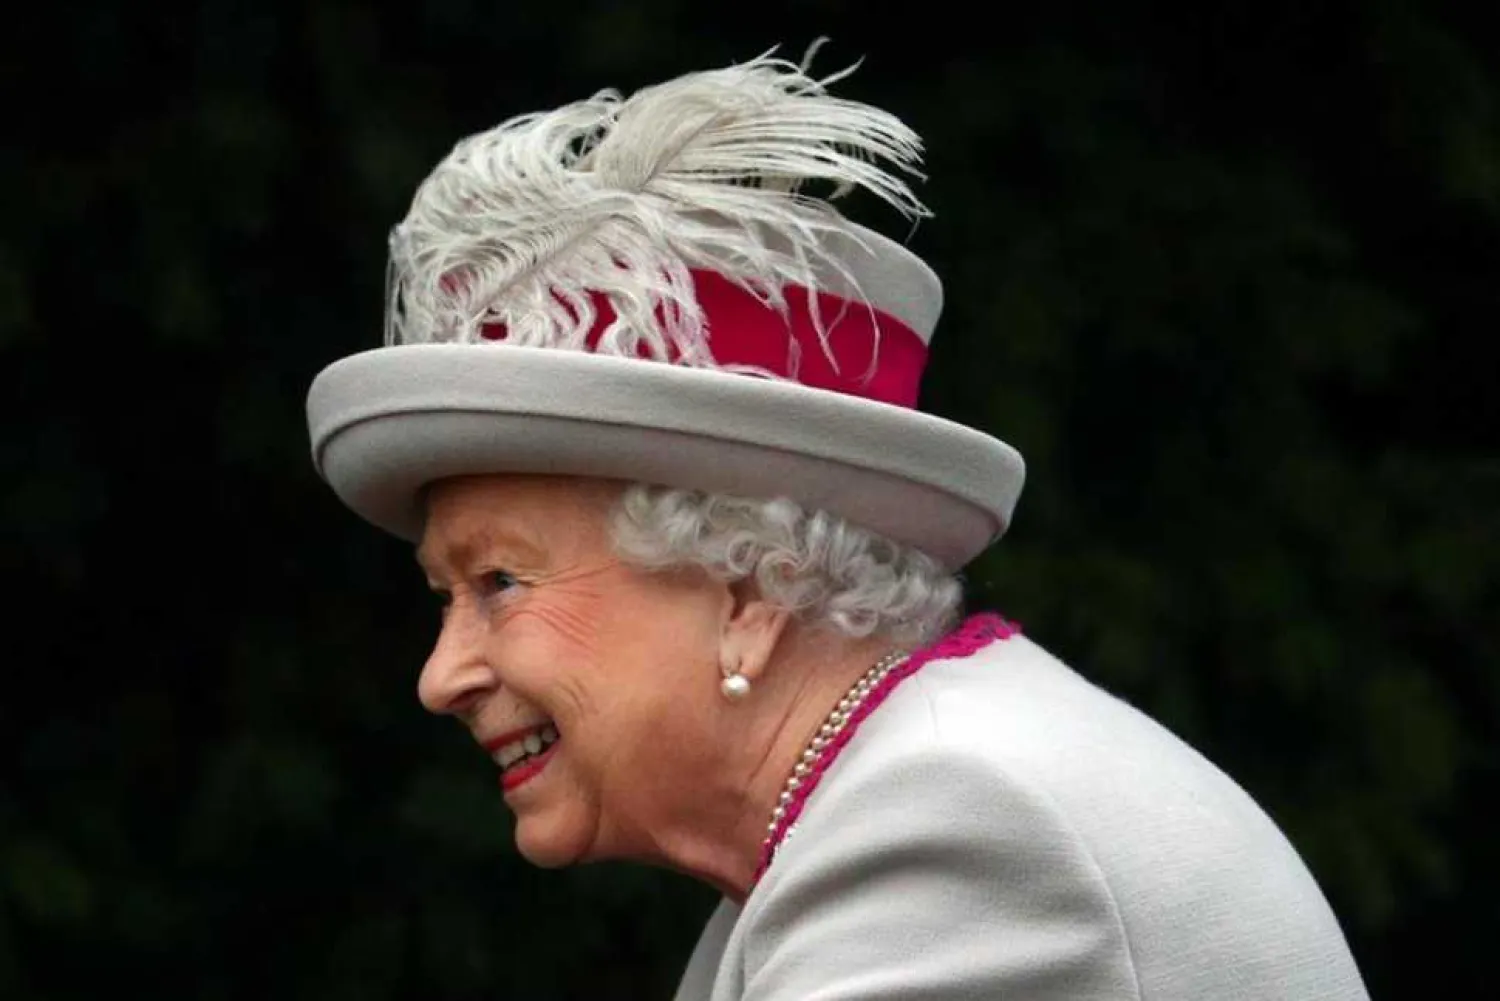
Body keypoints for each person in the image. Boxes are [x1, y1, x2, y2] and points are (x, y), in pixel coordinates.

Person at [305, 47, 1370, 1000]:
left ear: (749, 589)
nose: (441, 674)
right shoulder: (857, 822)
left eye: (500, 582)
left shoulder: (948, 828)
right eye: (448, 598)